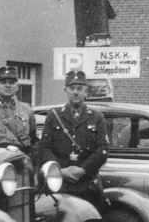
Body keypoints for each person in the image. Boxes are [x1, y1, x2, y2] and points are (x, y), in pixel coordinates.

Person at [33, 70, 109, 208]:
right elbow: (44, 147)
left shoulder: (97, 118)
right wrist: (59, 171)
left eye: (79, 88)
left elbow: (102, 150)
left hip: (86, 185)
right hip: (59, 184)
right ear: (65, 90)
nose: (75, 92)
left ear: (86, 90)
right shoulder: (54, 116)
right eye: (71, 88)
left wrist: (83, 170)